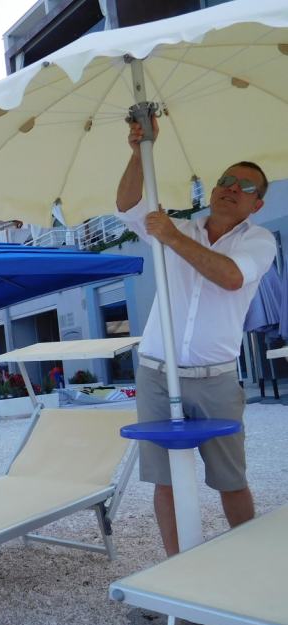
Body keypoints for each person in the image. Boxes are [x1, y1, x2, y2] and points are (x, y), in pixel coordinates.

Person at [117, 115, 276, 556]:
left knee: (231, 480)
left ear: (257, 204)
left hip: (216, 378)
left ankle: (249, 564)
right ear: (213, 188)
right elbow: (127, 205)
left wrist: (170, 236)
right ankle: (177, 567)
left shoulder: (259, 241)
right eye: (226, 180)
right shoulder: (178, 229)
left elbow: (230, 277)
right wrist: (138, 153)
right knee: (165, 481)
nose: (232, 187)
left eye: (245, 186)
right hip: (156, 373)